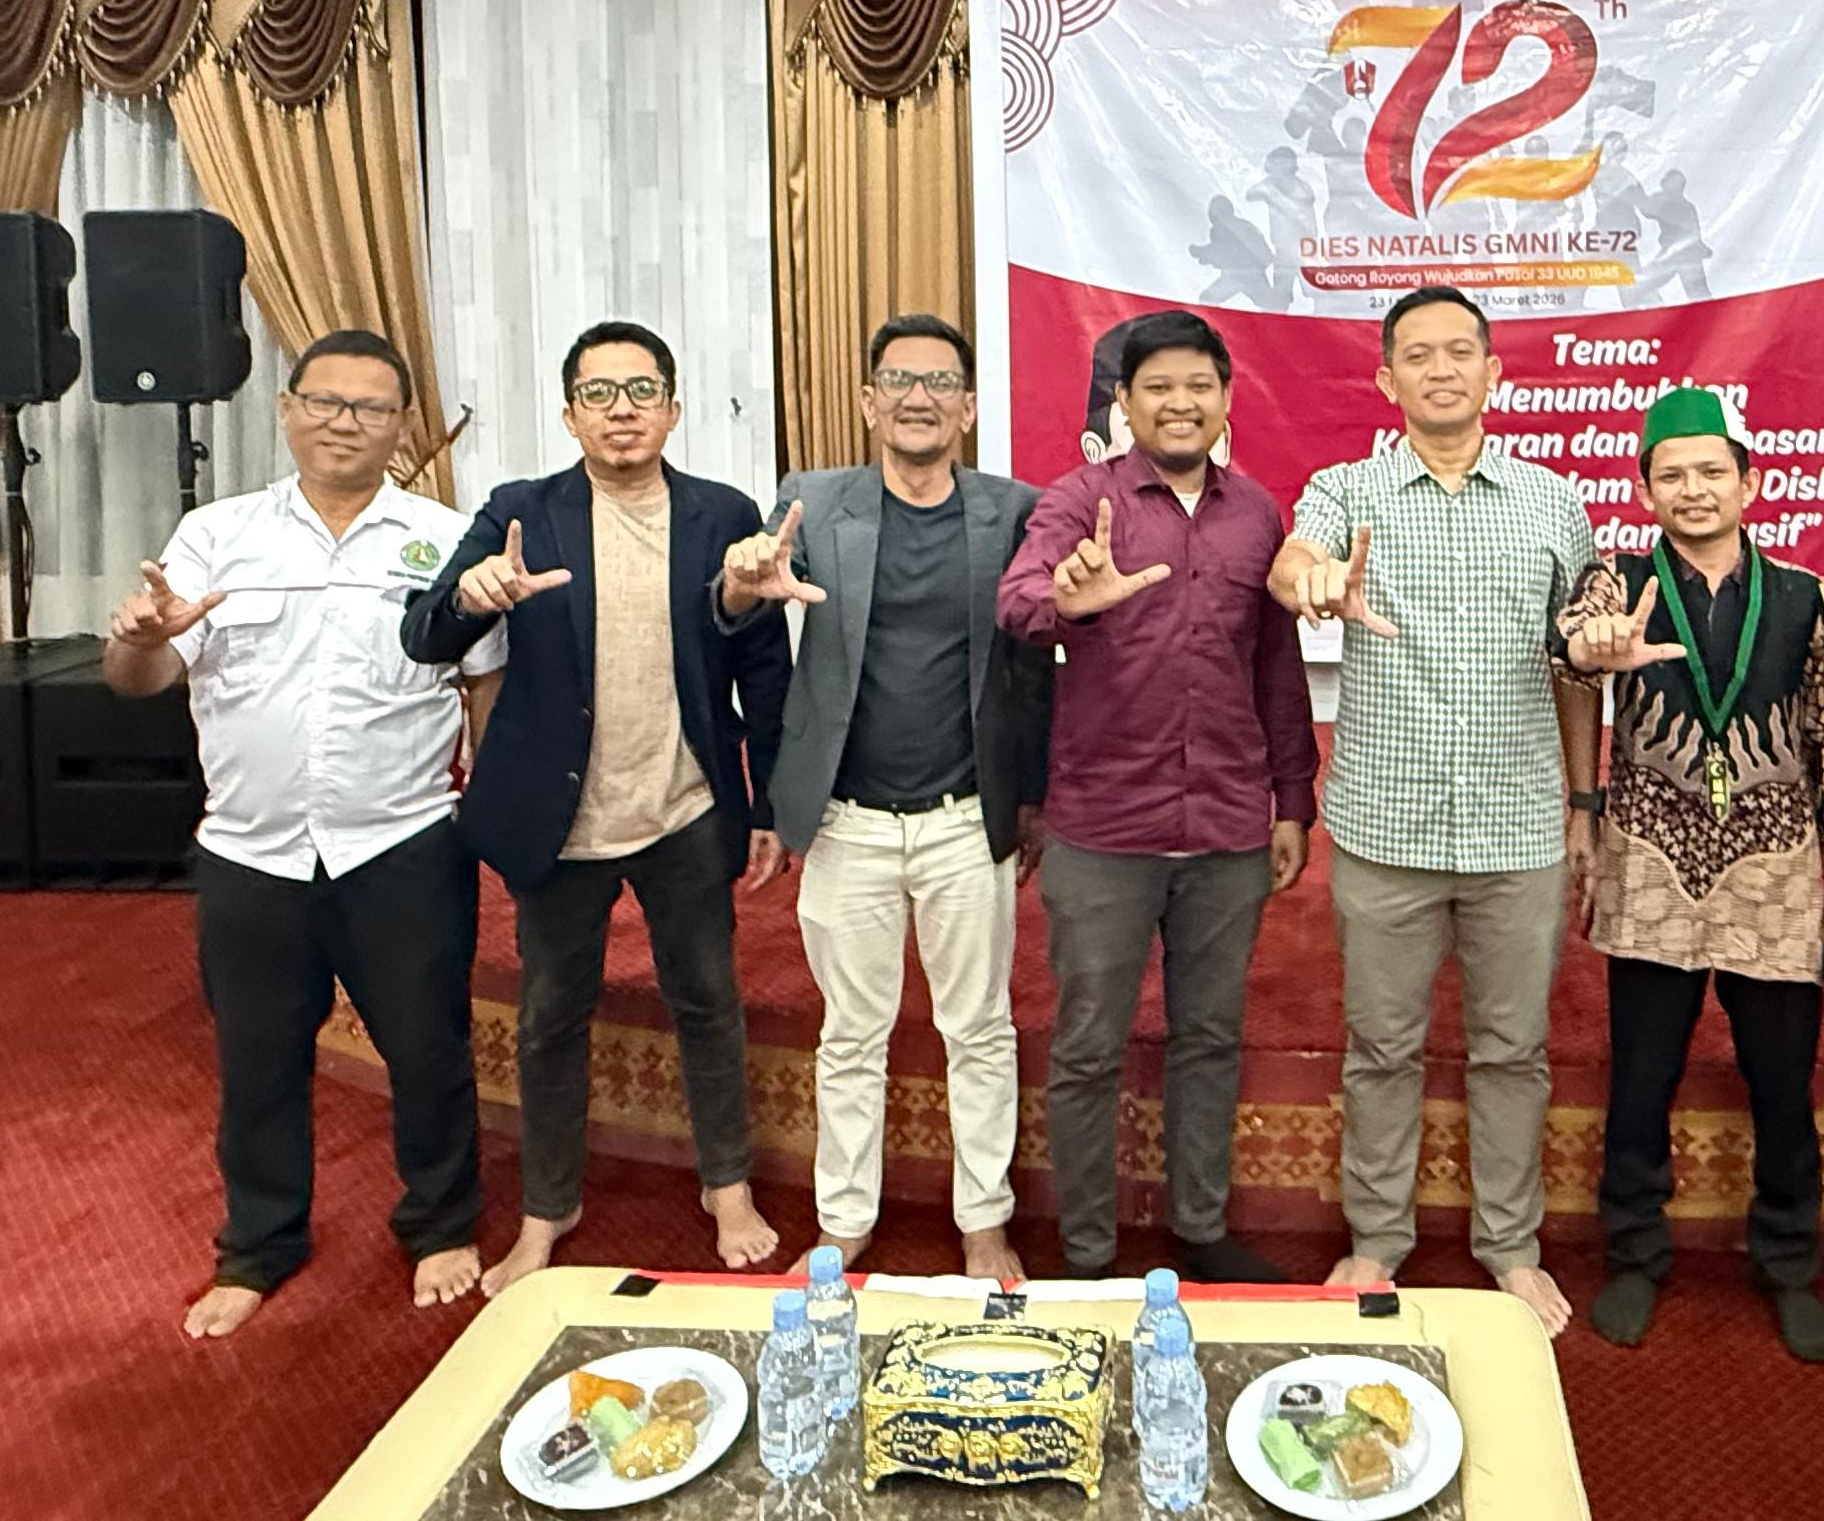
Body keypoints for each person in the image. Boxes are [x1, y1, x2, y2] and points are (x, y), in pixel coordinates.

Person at [106, 329, 496, 1341]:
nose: (343, 423)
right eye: (324, 402)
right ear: (286, 410)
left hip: (402, 843)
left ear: (401, 427)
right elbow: (144, 676)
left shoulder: (448, 539)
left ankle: (442, 1225)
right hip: (252, 851)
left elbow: (483, 682)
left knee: (430, 1050)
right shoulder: (216, 535)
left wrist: (490, 810)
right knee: (258, 1061)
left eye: (370, 408)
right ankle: (259, 1245)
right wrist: (138, 640)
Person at [404, 320, 790, 1285]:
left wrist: (769, 804)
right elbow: (425, 637)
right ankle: (548, 1208)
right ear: (571, 414)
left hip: (684, 803)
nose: (623, 411)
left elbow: (761, 668)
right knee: (549, 1017)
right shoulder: (518, 512)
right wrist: (475, 596)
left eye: (642, 391)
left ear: (674, 408)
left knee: (708, 1001)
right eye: (600, 394)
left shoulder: (722, 513)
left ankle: (727, 1183)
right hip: (560, 816)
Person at [1269, 285, 1597, 1336]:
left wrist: (1584, 800)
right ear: (1387, 379)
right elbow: (1291, 562)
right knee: (1380, 1048)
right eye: (1419, 355)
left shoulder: (1555, 503)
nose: (1442, 370)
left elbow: (1578, 665)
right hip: (1386, 827)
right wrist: (1314, 582)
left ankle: (1510, 1246)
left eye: (1462, 352)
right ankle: (1377, 1239)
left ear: (1494, 373)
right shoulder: (1344, 489)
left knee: (1513, 1051)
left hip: (1519, 828)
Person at [714, 313, 1050, 1282]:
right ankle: (845, 1220)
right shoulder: (812, 503)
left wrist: (1031, 798)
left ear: (969, 407)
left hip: (964, 818)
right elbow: (744, 607)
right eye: (899, 380)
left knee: (978, 1029)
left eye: (940, 382)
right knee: (851, 1034)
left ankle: (984, 1221)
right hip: (847, 821)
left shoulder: (1013, 511)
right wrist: (741, 588)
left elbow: (1033, 663)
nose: (919, 398)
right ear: (868, 401)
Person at [1557, 386, 1824, 1362]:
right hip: (1650, 863)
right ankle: (1634, 1255)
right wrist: (1589, 647)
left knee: (1781, 1081)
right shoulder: (1619, 582)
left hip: (1773, 869)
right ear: (1644, 491)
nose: (1692, 490)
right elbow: (1572, 647)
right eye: (1671, 475)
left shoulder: (1801, 598)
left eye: (1711, 472)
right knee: (1641, 1076)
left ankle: (1788, 1265)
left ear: (1750, 483)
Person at [999, 310, 1316, 1285]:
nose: (1181, 403)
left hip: (1226, 830)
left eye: (1198, 386)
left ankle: (1200, 1228)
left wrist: (1292, 799)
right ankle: (1089, 1253)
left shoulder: (1257, 513)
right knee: (1089, 1047)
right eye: (1159, 388)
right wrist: (1067, 601)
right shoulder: (1078, 501)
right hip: (1104, 829)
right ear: (1125, 405)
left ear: (1225, 400)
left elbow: (1276, 667)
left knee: (1209, 1039)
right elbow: (1017, 599)